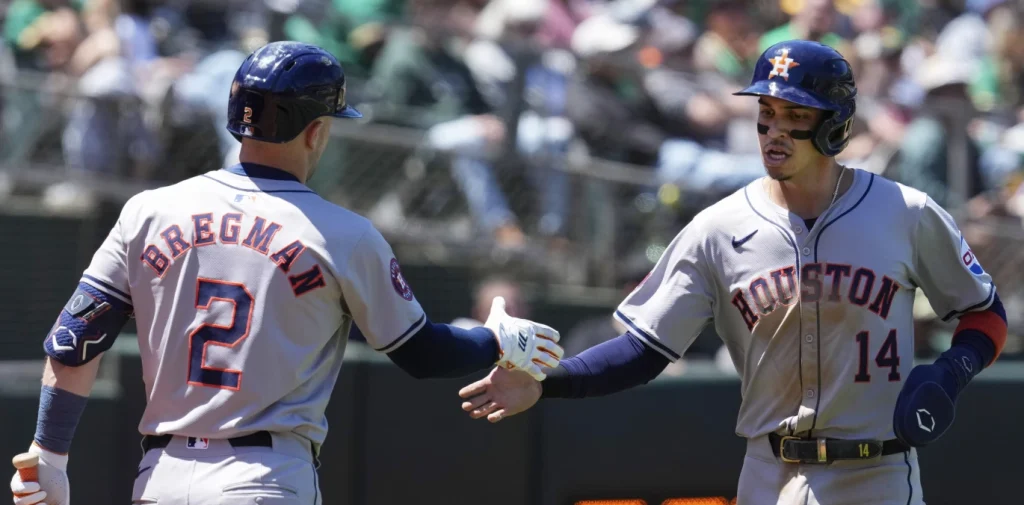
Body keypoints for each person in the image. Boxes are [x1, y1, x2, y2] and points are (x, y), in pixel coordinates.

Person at [8, 41, 563, 505]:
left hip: (160, 478)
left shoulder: (147, 210)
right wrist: (495, 340)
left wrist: (50, 455)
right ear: (316, 130)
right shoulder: (343, 234)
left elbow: (76, 338)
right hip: (265, 479)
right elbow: (423, 354)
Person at [458, 40, 1007, 505]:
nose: (774, 130)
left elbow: (984, 313)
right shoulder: (717, 228)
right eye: (766, 112)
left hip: (878, 474)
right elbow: (643, 351)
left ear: (835, 125)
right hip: (768, 474)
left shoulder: (904, 212)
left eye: (796, 117)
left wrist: (950, 373)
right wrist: (547, 383)